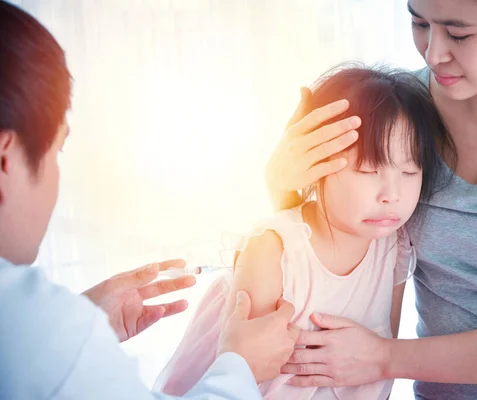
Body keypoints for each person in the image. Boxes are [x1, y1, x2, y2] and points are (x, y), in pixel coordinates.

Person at [266, 0, 477, 399]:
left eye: (459, 33)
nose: (433, 53)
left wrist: (383, 358)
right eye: (419, 22)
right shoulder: (399, 112)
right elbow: (348, 265)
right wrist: (284, 190)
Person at [0, 1, 298, 399]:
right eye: (58, 151)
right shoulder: (41, 332)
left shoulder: (30, 330)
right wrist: (240, 366)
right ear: (5, 160)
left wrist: (74, 329)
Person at [152, 65, 451, 399]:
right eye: (369, 169)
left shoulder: (394, 246)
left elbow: (380, 367)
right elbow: (246, 378)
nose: (391, 194)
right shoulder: (274, 251)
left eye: (410, 171)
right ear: (316, 162)